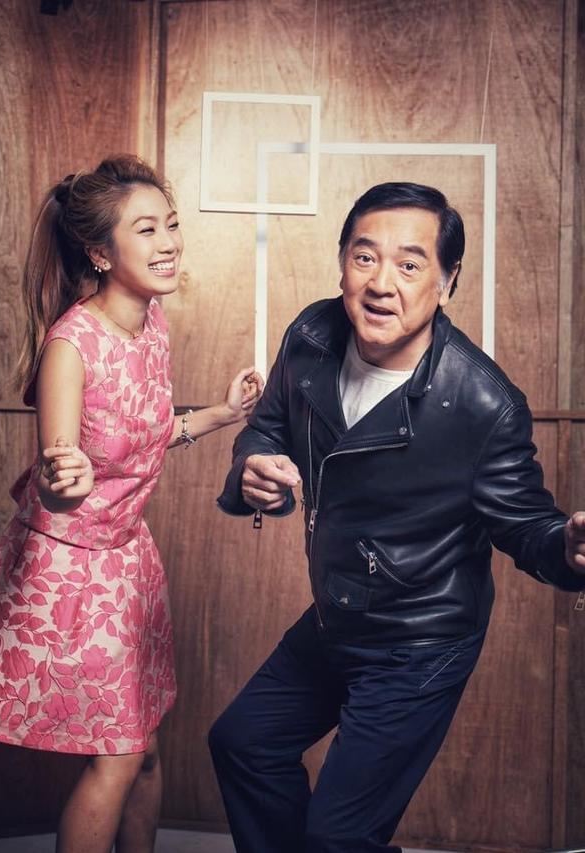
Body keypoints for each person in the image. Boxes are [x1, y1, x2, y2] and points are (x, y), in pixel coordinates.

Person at [209, 182, 585, 853]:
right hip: (338, 614)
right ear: (342, 264)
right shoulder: (311, 335)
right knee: (244, 743)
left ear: (447, 280)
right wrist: (253, 467)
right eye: (365, 257)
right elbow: (267, 427)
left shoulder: (484, 403)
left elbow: (527, 525)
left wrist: (567, 547)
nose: (382, 282)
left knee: (338, 834)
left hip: (420, 638)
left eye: (410, 264)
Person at [0, 154, 263, 853]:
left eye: (171, 224)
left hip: (127, 563)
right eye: (146, 230)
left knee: (141, 748)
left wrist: (223, 413)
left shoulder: (153, 324)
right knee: (117, 755)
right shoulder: (71, 346)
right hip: (70, 571)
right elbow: (59, 474)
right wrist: (64, 479)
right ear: (99, 251)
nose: (169, 242)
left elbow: (139, 437)